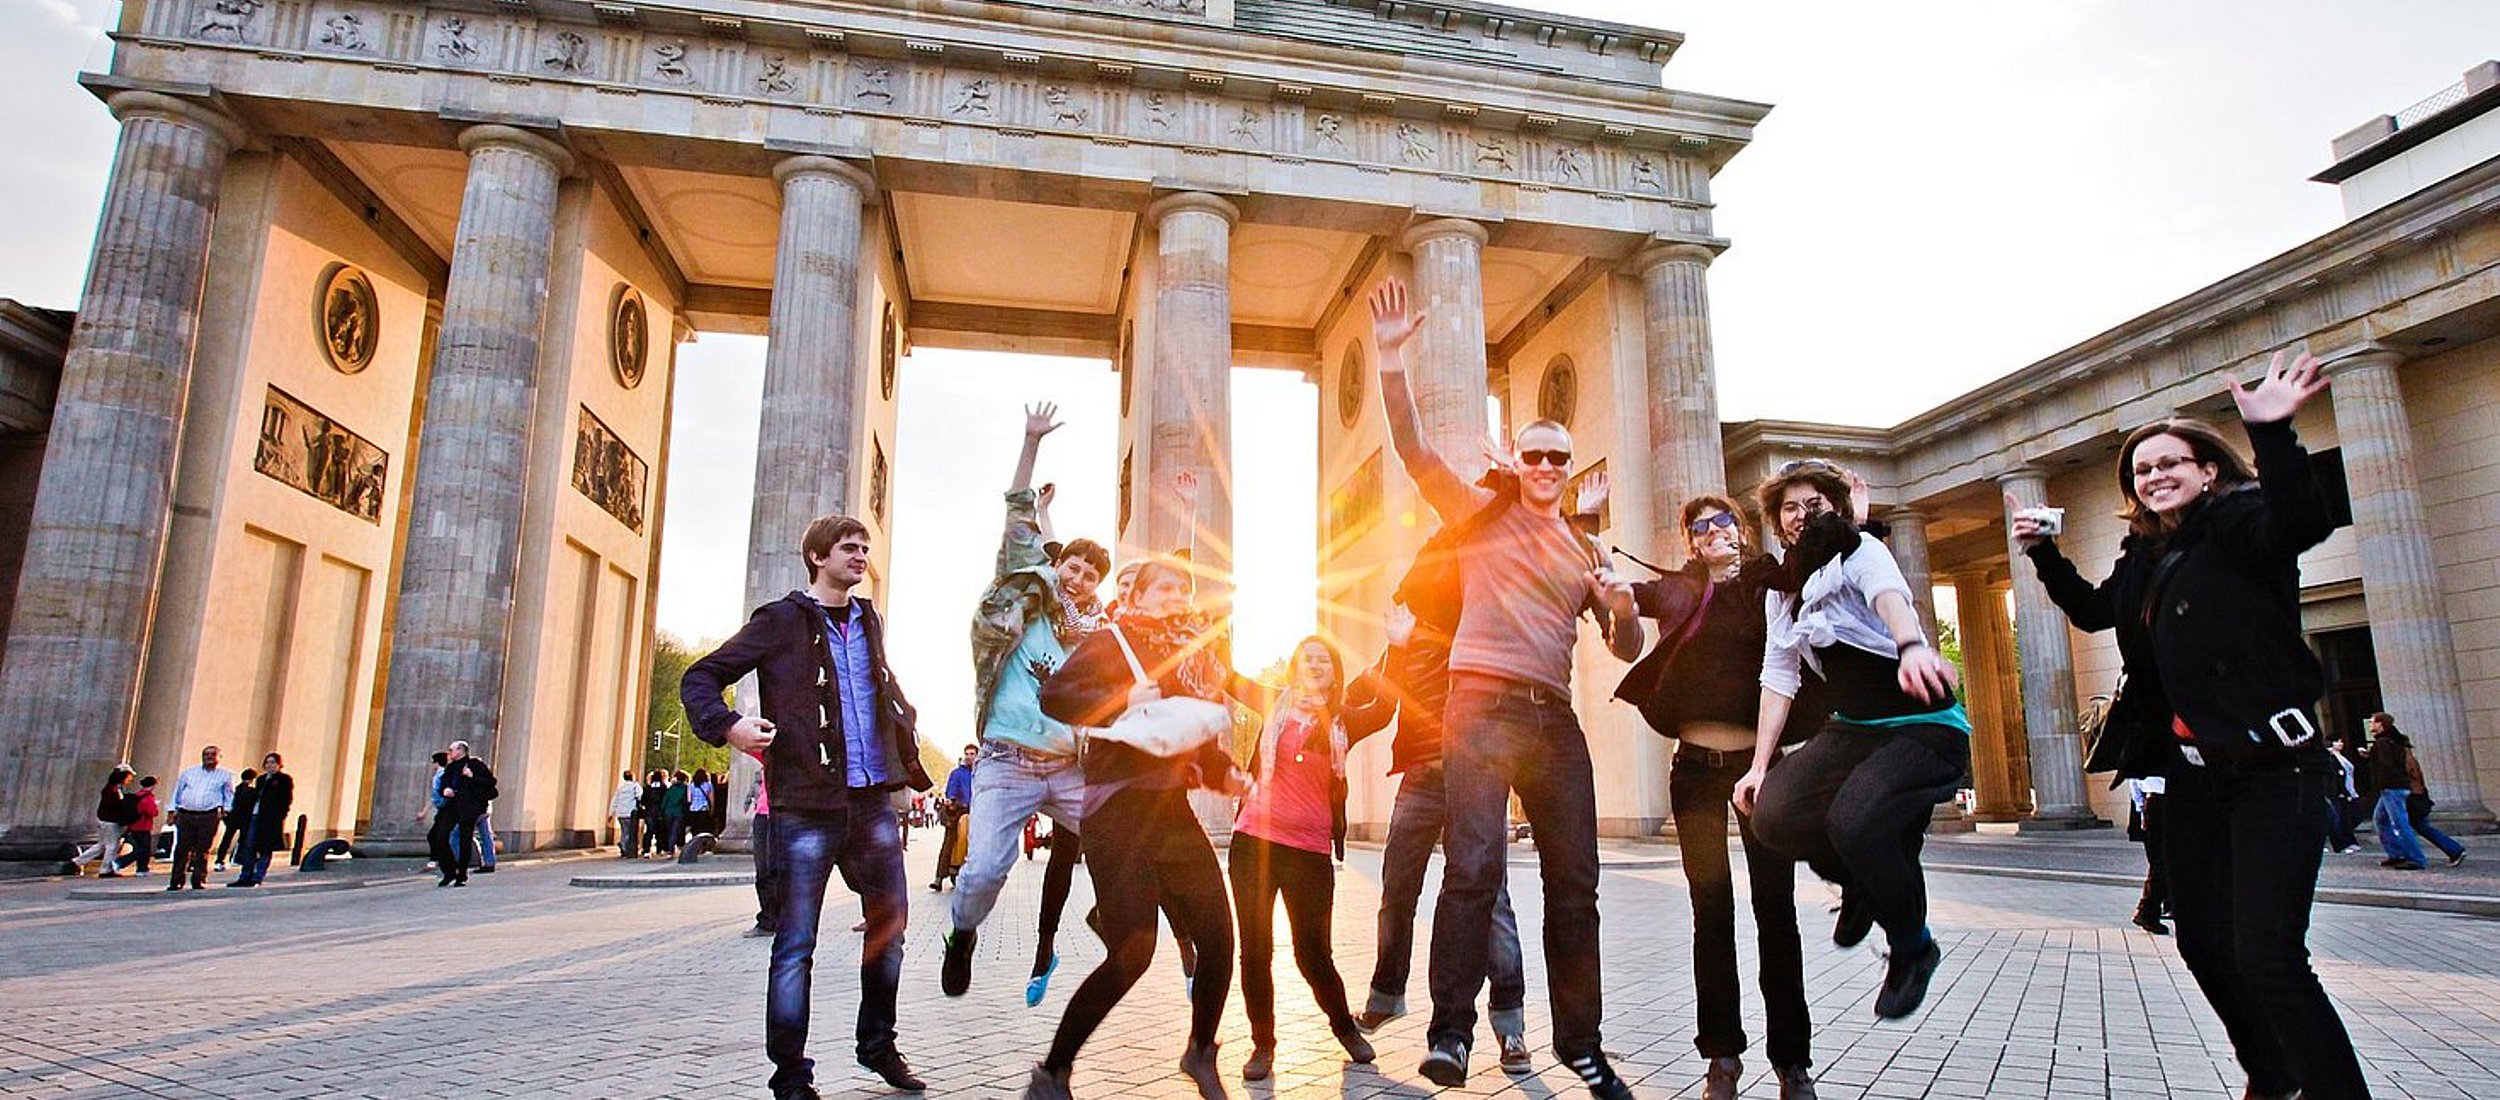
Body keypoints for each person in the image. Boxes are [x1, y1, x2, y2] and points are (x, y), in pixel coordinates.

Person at [2013, 350, 2369, 1100]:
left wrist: (2273, 433)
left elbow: (2297, 520)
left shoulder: (2238, 522)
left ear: (2208, 469)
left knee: (2271, 956)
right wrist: (2043, 553)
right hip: (2193, 777)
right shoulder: (2145, 549)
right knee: (2206, 943)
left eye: (2172, 461)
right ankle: (2271, 1076)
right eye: (2141, 470)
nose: (2154, 476)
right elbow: (2093, 611)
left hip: (2277, 772)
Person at [1366, 278, 1645, 1097]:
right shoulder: (1480, 519)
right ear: (1516, 463)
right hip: (1479, 704)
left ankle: (1581, 1041)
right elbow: (1415, 451)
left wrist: (1621, 608)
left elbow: (1624, 646)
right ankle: (1450, 1034)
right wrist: (1390, 360)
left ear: (1569, 465)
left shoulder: (1586, 551)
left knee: (1577, 880)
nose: (1549, 467)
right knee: (1475, 867)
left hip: (1550, 718)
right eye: (1535, 455)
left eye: (1561, 456)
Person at [680, 513, 934, 1100]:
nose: (861, 556)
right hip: (806, 808)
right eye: (850, 547)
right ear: (818, 556)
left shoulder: (869, 619)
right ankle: (791, 1075)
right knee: (796, 945)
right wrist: (729, 726)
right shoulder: (779, 620)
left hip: (871, 803)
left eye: (866, 548)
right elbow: (701, 677)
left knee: (889, 932)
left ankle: (877, 1045)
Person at [1733, 459, 1967, 1022]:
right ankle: (1860, 883)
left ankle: (1913, 946)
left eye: (1812, 504)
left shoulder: (1861, 551)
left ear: (1835, 509)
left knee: (1856, 821)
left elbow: (1890, 596)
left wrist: (1912, 647)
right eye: (1789, 508)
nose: (1799, 516)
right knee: (1773, 816)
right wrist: (1759, 766)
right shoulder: (1784, 591)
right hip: (1854, 730)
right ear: (1777, 521)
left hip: (1922, 727)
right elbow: (1778, 677)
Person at [1613, 493, 1820, 1099]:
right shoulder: (1679, 590)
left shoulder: (1770, 584)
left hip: (1761, 770)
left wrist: (1848, 520)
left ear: (1741, 526)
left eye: (1721, 521)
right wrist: (1590, 534)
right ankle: (1722, 1056)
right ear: (1689, 539)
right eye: (1699, 527)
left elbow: (1824, 573)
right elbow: (1616, 591)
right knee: (1712, 912)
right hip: (1697, 774)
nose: (1711, 532)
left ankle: (1792, 1062)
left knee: (1776, 914)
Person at [1025, 555, 1250, 1100]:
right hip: (1118, 817)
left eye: (1183, 586)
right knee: (1133, 953)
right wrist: (1124, 699)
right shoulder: (1110, 642)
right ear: (1139, 596)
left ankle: (1200, 1052)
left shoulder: (1187, 656)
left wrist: (1227, 774)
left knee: (1220, 938)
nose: (1176, 593)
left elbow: (1194, 735)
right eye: (1165, 585)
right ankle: (1052, 1072)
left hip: (1172, 813)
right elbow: (1055, 697)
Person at [942, 402, 1115, 1000]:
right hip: (1007, 762)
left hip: (1069, 768)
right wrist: (1030, 439)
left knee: (1131, 838)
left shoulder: (1100, 637)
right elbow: (1019, 518)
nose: (1078, 579)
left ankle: (1111, 921)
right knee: (986, 868)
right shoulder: (1027, 599)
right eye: (1072, 566)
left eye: (1092, 575)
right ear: (1055, 564)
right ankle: (961, 934)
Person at [1349, 599, 1534, 1076]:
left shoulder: (1488, 628)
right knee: (1396, 886)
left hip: (1476, 778)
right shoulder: (1412, 637)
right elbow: (1373, 700)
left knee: (1492, 898)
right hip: (1422, 778)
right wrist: (1395, 647)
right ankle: (1387, 995)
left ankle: (1510, 1024)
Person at [1228, 635, 1390, 1081]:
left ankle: (1345, 1028)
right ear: (1294, 666)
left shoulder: (1343, 722)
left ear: (1335, 672)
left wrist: (1396, 649)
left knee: (1313, 953)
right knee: (1255, 950)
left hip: (1310, 851)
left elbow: (1386, 705)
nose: (1315, 665)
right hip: (1254, 845)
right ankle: (1263, 1045)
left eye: (1324, 660)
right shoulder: (1271, 703)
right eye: (1307, 658)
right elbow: (1226, 671)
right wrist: (1214, 619)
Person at [2373, 714, 2468, 866]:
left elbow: (2400, 770)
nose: (2371, 725)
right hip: (2406, 790)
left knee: (2403, 824)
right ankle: (2453, 850)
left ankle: (2415, 858)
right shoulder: (2400, 748)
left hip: (2400, 790)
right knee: (2383, 820)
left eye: (2374, 722)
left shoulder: (2391, 746)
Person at [166, 745, 236, 892]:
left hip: (208, 815)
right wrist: (172, 811)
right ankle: (176, 881)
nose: (209, 757)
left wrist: (226, 810)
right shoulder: (189, 773)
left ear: (219, 757)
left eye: (213, 754)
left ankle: (199, 879)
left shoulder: (225, 775)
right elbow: (177, 792)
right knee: (182, 848)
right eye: (206, 754)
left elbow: (229, 795)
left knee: (203, 849)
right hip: (187, 814)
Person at [429, 741, 495, 887]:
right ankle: (449, 870)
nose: (450, 752)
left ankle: (461, 874)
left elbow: (490, 782)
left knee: (465, 840)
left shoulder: (475, 765)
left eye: (451, 749)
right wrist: (445, 790)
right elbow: (443, 784)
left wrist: (472, 776)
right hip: (451, 807)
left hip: (469, 807)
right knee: (438, 836)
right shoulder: (451, 767)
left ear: (460, 750)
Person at [230, 752, 294, 887]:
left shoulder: (283, 780)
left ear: (279, 765)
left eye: (273, 763)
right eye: (267, 763)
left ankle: (258, 876)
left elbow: (286, 800)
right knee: (249, 846)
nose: (270, 765)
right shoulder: (261, 779)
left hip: (270, 819)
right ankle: (245, 876)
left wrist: (280, 816)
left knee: (265, 847)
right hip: (254, 816)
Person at [73, 767, 137, 877]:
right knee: (112, 846)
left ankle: (77, 861)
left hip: (105, 820)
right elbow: (114, 805)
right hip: (110, 821)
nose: (129, 780)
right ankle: (106, 869)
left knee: (102, 845)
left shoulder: (112, 788)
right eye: (128, 778)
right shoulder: (112, 790)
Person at [2126, 776, 2169, 934]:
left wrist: (2141, 810)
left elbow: (2133, 781)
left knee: (2160, 861)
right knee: (2164, 861)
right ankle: (2147, 910)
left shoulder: (2142, 755)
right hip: (2166, 801)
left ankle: (2152, 909)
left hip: (2151, 801)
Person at [931, 746, 976, 892]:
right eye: (967, 754)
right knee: (950, 839)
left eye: (973, 754)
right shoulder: (957, 773)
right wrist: (950, 800)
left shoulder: (982, 773)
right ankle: (939, 877)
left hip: (979, 812)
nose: (969, 756)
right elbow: (951, 791)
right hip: (960, 810)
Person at [2322, 738, 2363, 853]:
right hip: (2339, 792)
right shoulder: (2330, 757)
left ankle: (2346, 841)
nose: (2341, 744)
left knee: (2351, 815)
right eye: (2337, 741)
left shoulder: (2342, 757)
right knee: (2339, 818)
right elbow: (2334, 777)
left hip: (2349, 789)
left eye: (2341, 741)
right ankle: (2345, 842)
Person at [215, 768, 258, 873]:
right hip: (244, 819)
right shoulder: (251, 791)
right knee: (242, 840)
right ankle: (237, 858)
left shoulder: (237, 789)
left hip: (233, 818)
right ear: (252, 779)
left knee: (227, 839)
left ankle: (220, 860)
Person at [122, 777, 161, 876]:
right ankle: (121, 863)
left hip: (134, 825)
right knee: (144, 849)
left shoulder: (137, 795)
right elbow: (152, 812)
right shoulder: (147, 797)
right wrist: (155, 807)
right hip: (143, 826)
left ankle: (142, 869)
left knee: (140, 848)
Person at [611, 770, 643, 858]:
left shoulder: (620, 788)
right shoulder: (635, 786)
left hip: (620, 813)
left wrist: (611, 813)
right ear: (633, 777)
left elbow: (615, 800)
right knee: (630, 832)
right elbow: (640, 797)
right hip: (631, 812)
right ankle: (626, 848)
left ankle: (623, 845)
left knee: (624, 831)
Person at [642, 769, 671, 856]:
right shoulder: (664, 788)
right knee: (660, 831)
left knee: (649, 831)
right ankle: (659, 849)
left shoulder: (647, 788)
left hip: (649, 811)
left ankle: (646, 849)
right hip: (660, 812)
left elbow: (643, 800)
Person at [663, 770, 690, 854]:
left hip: (668, 812)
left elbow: (665, 800)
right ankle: (672, 848)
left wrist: (662, 810)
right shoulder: (685, 788)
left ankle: (670, 848)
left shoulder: (671, 788)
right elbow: (687, 801)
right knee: (675, 830)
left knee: (669, 831)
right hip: (679, 812)